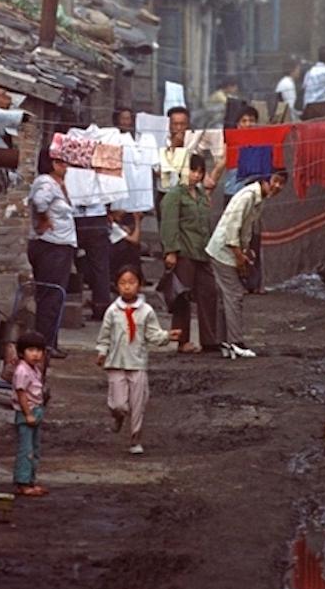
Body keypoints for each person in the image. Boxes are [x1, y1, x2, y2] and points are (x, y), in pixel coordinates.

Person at [96, 265, 181, 455]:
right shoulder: (112, 311)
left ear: (140, 285)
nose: (127, 287)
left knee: (138, 403)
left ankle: (135, 438)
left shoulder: (146, 311)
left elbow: (153, 334)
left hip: (137, 363)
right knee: (119, 404)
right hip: (116, 362)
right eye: (123, 283)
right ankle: (118, 416)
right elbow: (104, 335)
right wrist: (102, 352)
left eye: (132, 283)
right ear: (117, 286)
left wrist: (167, 336)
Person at [205, 171, 288, 358]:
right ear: (265, 180)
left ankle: (225, 342)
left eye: (282, 184)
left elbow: (246, 227)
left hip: (228, 249)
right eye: (275, 181)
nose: (278, 187)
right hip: (223, 250)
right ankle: (236, 342)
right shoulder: (248, 196)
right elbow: (232, 228)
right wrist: (238, 255)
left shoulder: (259, 198)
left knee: (225, 297)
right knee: (234, 294)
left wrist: (246, 249)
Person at [159, 153, 220, 354]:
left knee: (209, 293)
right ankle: (182, 340)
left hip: (201, 252)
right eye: (192, 170)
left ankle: (210, 340)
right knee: (182, 297)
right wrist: (170, 251)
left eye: (200, 171)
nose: (196, 175)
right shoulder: (175, 195)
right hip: (184, 251)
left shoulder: (202, 195)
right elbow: (169, 224)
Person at [27, 149, 76, 359]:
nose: (66, 166)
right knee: (50, 295)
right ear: (53, 163)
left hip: (60, 246)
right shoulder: (46, 182)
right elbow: (39, 201)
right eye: (62, 162)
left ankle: (50, 341)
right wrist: (44, 219)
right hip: (51, 246)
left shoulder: (58, 185)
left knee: (55, 296)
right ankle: (44, 343)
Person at [11, 330, 49, 497]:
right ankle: (23, 483)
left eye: (39, 350)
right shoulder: (22, 371)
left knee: (34, 449)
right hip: (28, 412)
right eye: (31, 350)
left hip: (36, 411)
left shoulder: (34, 369)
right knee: (26, 450)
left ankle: (30, 480)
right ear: (21, 352)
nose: (36, 354)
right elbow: (21, 394)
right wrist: (28, 414)